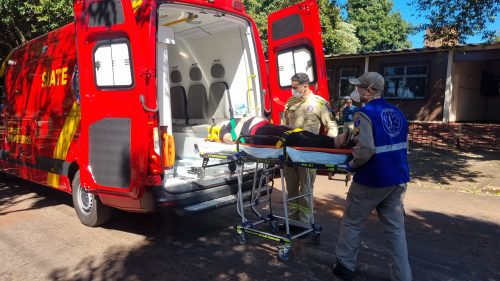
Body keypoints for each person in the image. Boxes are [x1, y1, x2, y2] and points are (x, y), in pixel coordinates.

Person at [333, 72, 412, 281]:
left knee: (352, 222)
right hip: (397, 178)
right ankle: (403, 277)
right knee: (396, 231)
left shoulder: (364, 114)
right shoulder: (397, 112)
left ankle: (345, 266)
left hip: (372, 179)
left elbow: (366, 149)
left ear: (368, 91)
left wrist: (351, 165)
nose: (356, 91)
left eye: (359, 87)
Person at [283, 72, 339, 225]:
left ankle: (305, 223)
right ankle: (293, 221)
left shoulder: (319, 104)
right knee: (291, 189)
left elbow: (331, 125)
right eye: (292, 86)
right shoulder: (290, 102)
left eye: (296, 87)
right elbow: (284, 125)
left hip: (308, 153)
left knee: (306, 190)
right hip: (289, 152)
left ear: (305, 86)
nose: (293, 90)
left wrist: (330, 146)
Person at [216, 115, 349, 148]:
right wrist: (241, 122)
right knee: (293, 138)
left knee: (298, 132)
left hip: (265, 126)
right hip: (257, 132)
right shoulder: (225, 129)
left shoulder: (234, 119)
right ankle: (334, 143)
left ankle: (333, 140)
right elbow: (233, 140)